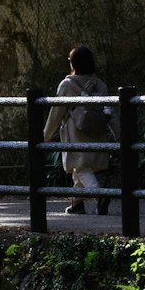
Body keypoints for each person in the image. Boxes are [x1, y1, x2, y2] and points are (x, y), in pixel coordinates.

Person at [44, 43, 115, 216]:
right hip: (96, 132)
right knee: (80, 169)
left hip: (75, 134)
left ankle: (99, 195)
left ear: (73, 64)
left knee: (81, 168)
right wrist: (119, 134)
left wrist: (44, 136)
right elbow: (111, 112)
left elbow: (56, 113)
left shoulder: (67, 85)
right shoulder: (100, 85)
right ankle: (77, 204)